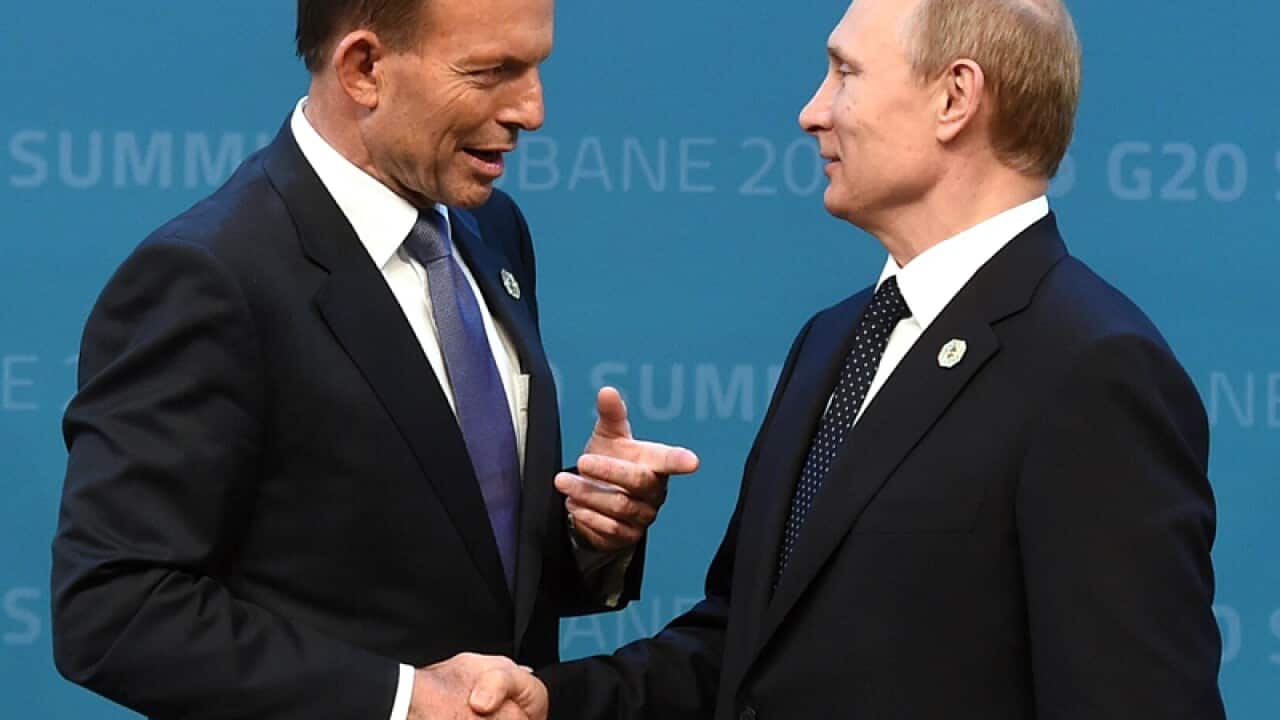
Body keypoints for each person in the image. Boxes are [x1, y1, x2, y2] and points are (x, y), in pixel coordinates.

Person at [512, 0, 1228, 718]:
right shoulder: (834, 338)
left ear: (955, 97)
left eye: (844, 73)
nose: (811, 112)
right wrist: (545, 704)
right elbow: (749, 651)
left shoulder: (1093, 369)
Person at [50, 1, 698, 719]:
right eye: (492, 72)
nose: (532, 110)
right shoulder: (209, 278)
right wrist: (405, 700)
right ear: (364, 69)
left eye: (536, 67)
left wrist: (584, 536)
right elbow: (116, 610)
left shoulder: (491, 229)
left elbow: (451, 553)